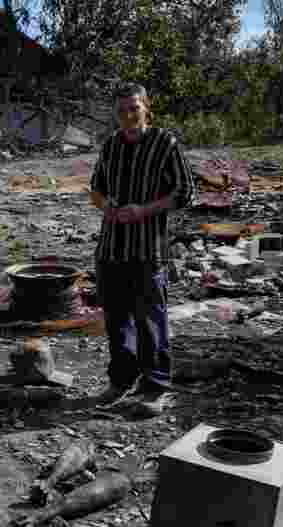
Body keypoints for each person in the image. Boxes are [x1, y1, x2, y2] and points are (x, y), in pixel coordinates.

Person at [88, 83, 197, 417]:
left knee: (150, 319)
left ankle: (155, 386)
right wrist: (106, 206)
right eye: (121, 110)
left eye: (134, 108)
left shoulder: (165, 143)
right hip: (111, 247)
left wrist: (144, 210)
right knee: (117, 319)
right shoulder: (110, 146)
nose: (128, 116)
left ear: (146, 108)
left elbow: (184, 192)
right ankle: (121, 380)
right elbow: (96, 188)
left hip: (148, 247)